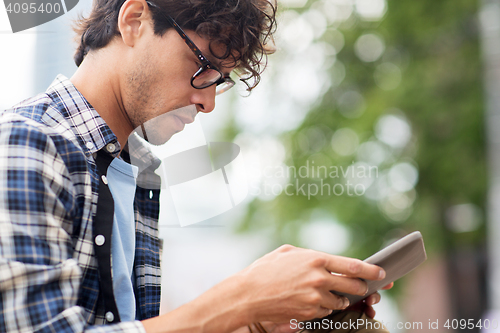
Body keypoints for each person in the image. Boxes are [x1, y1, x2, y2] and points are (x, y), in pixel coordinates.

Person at [0, 0, 393, 332]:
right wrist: (240, 299)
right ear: (135, 20)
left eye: (219, 80)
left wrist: (255, 320)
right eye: (202, 64)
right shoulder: (27, 142)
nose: (208, 102)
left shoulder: (135, 174)